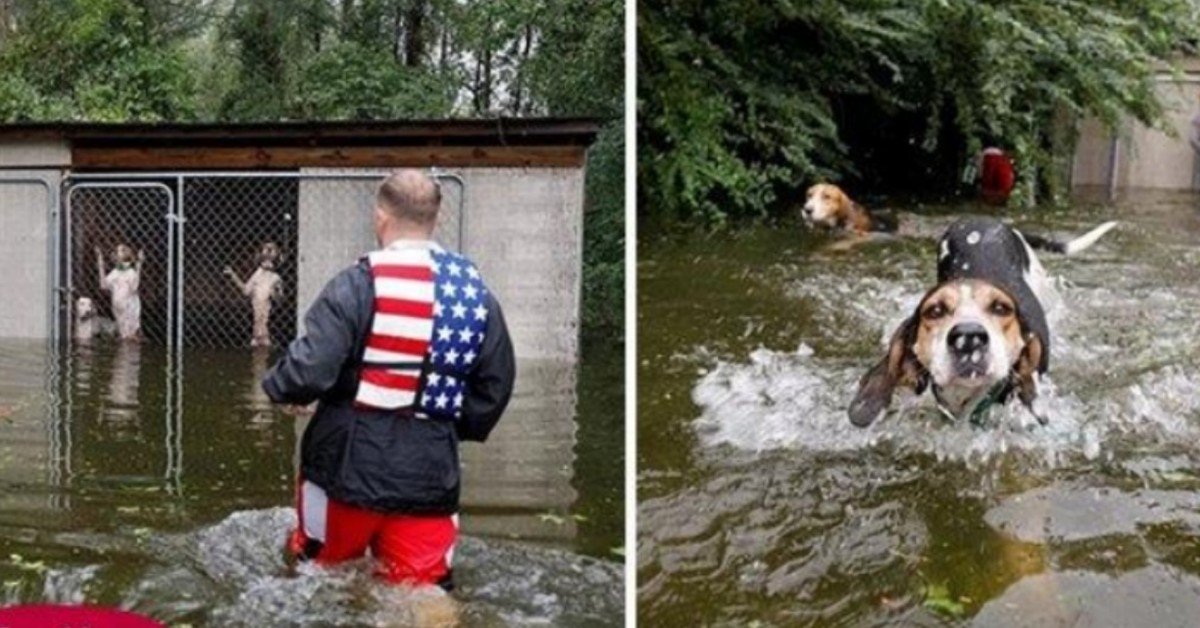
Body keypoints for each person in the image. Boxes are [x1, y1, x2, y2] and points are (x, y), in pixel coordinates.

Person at [262, 169, 516, 590]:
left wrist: (280, 388)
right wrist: (445, 425)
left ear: (380, 217)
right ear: (435, 218)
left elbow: (310, 369)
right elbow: (495, 385)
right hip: (430, 471)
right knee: (424, 591)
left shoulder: (356, 284)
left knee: (318, 576)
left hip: (346, 466)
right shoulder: (475, 294)